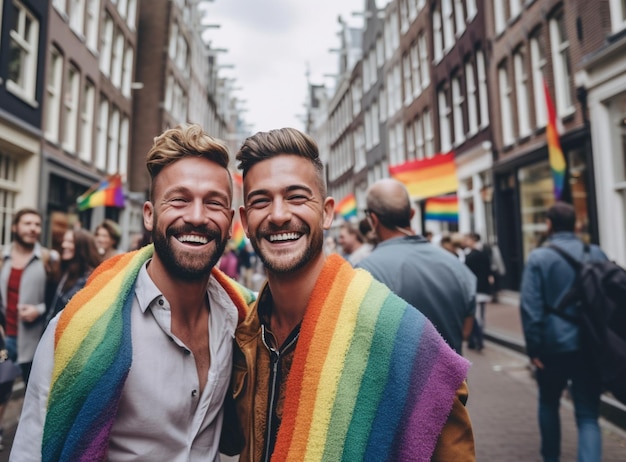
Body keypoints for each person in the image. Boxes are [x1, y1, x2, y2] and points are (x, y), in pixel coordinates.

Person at [223, 128, 474, 461]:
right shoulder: (245, 331)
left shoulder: (392, 330)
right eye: (260, 201)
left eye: (297, 197)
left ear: (327, 212)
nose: (279, 214)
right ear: (245, 219)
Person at [12, 124, 255, 461]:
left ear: (230, 222)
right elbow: (31, 451)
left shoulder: (244, 321)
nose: (197, 217)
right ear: (149, 215)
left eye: (213, 203)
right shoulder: (78, 330)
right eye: (179, 200)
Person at [520, 201, 608, 462]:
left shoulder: (538, 257)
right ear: (576, 225)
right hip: (590, 344)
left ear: (548, 225)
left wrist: (534, 347)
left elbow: (531, 307)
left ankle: (551, 458)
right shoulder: (596, 254)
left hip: (552, 344)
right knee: (588, 414)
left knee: (548, 402)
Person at [356, 178, 477, 355]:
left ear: (373, 220)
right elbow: (466, 332)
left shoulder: (363, 272)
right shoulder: (457, 267)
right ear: (412, 214)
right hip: (453, 381)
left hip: (397, 382)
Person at [0, 208, 59, 386]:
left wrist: (38, 310)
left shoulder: (48, 259)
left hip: (35, 342)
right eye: (27, 224)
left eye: (37, 224)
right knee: (2, 393)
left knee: (32, 396)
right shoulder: (3, 256)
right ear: (15, 228)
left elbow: (56, 301)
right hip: (5, 339)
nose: (33, 228)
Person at [44, 228, 102, 325]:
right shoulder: (65, 270)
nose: (64, 245)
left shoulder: (90, 278)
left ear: (82, 246)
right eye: (64, 241)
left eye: (70, 242)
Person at [464, 232, 493, 351]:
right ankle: (479, 338)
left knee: (476, 315)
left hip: (475, 289)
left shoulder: (469, 256)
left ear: (473, 240)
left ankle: (478, 339)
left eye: (467, 239)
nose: (466, 241)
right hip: (484, 288)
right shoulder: (485, 253)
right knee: (481, 315)